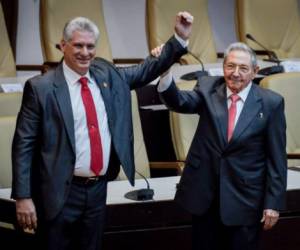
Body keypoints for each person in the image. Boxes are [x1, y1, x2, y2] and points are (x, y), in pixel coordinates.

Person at [11, 12, 193, 250]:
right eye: (78, 45)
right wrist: (23, 197)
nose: (85, 53)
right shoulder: (41, 88)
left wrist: (177, 39)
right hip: (58, 192)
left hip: (97, 190)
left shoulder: (107, 74)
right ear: (62, 46)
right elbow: (23, 143)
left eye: (90, 46)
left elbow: (146, 70)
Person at [155, 42, 287, 250]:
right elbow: (177, 101)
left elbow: (276, 158)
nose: (235, 73)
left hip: (245, 200)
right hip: (205, 198)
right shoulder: (207, 88)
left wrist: (273, 203)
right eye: (230, 66)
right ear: (223, 67)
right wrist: (165, 71)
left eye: (243, 68)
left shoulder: (271, 103)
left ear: (255, 71)